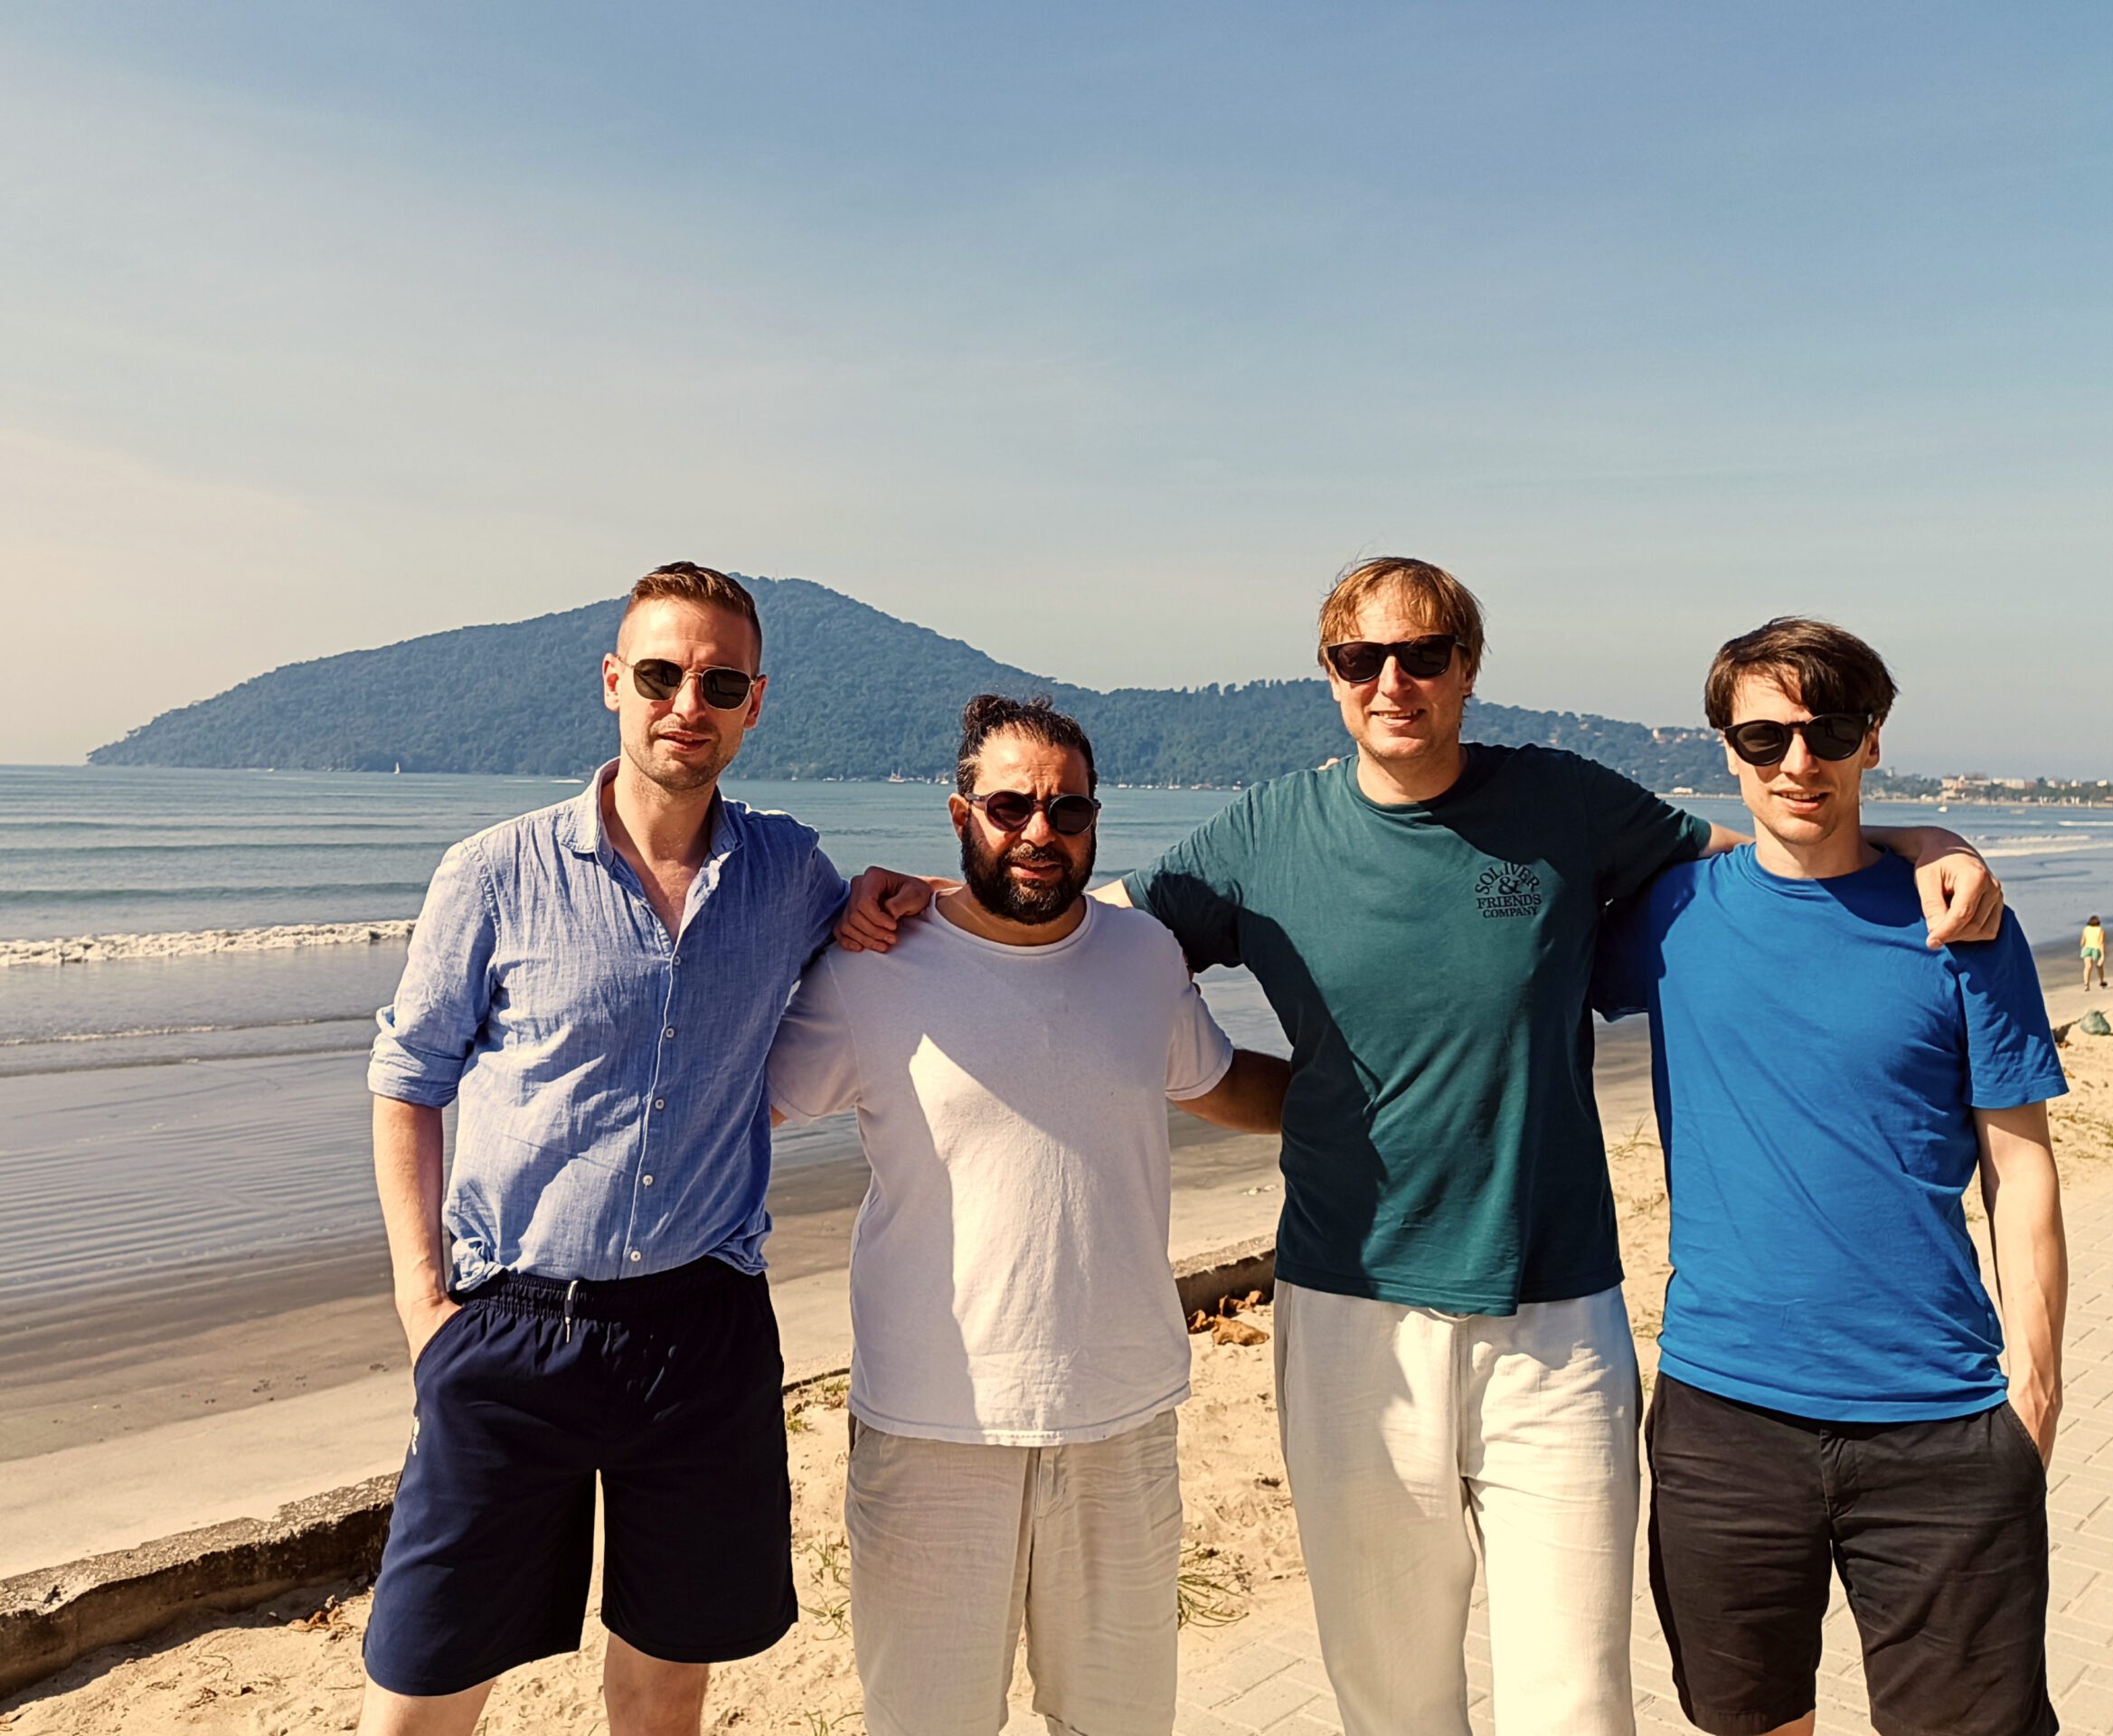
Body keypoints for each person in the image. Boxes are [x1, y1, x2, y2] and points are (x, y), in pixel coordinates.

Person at [844, 558, 2006, 1735]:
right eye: (1361, 659)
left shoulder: (1562, 804)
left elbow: (1768, 850)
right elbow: (1074, 939)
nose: (1392, 682)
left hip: (1556, 1313)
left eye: (1423, 656)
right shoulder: (1267, 835)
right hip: (1350, 1316)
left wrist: (1924, 840)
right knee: (1393, 1702)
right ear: (1330, 675)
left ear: (1466, 670)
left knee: (1576, 1702)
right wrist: (939, 901)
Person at [359, 563, 848, 1736]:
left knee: (666, 1689)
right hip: (510, 1327)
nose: (688, 703)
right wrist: (423, 1306)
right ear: (614, 683)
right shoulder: (495, 871)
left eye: (719, 684)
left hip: (703, 1335)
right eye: (663, 674)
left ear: (754, 703)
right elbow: (407, 1081)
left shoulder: (790, 874)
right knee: (423, 1689)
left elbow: (886, 958)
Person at [766, 695, 1288, 1736]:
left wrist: (1386, 1104)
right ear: (961, 815)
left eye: (1068, 809)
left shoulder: (1144, 955)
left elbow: (1218, 1082)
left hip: (1122, 1421)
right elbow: (737, 1107)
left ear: (1094, 820)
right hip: (932, 1429)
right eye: (1010, 808)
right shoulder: (870, 967)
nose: (1040, 832)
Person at [1594, 617, 2069, 1736]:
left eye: (1831, 731)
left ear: (1872, 739)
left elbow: (2021, 1166)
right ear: (1725, 750)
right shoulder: (1668, 915)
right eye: (1764, 738)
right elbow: (1491, 947)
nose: (1797, 762)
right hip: (1723, 1421)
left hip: (1942, 1420)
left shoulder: (1959, 925)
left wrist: (2036, 1393)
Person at [2082, 912, 2108, 989]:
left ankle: (2086, 984)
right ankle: (2101, 981)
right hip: (2096, 948)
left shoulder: (2086, 929)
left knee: (2088, 967)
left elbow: (2082, 941)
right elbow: (2101, 942)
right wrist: (2103, 954)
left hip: (2087, 948)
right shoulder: (2100, 930)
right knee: (2100, 966)